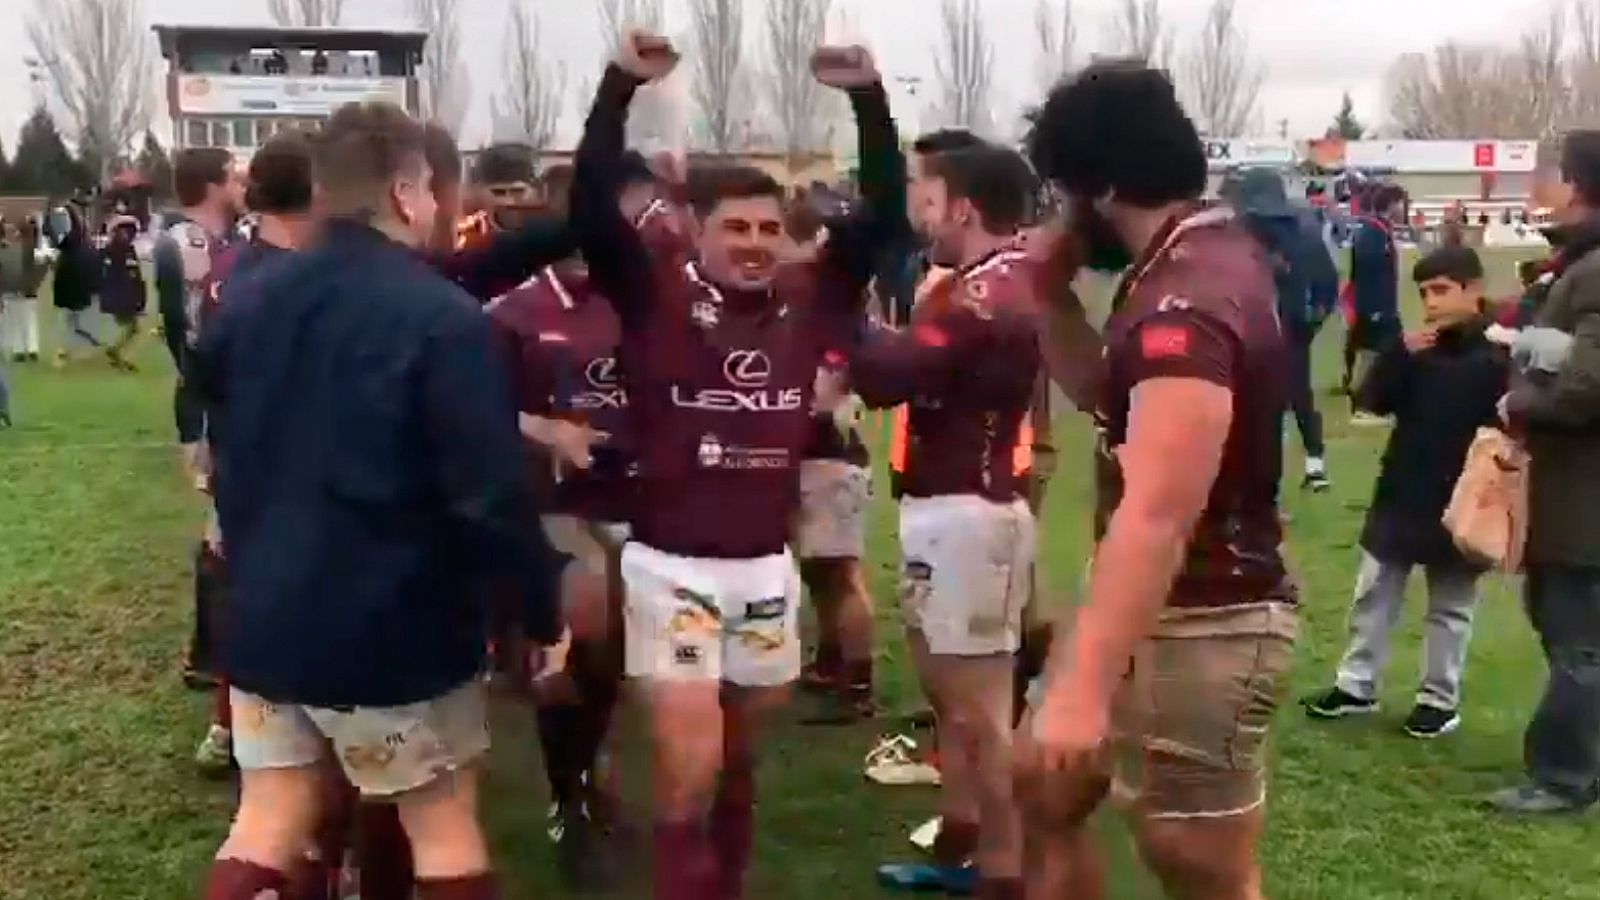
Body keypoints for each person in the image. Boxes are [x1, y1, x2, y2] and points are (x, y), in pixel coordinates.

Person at [192, 101, 576, 900]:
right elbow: (489, 493)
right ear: (406, 191)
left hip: (267, 616)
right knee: (442, 821)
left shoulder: (246, 299)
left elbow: (225, 461)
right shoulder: (442, 319)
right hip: (394, 627)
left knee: (269, 816)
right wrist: (539, 612)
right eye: (439, 191)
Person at [571, 31, 902, 900]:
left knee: (738, 765)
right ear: (695, 233)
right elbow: (586, 207)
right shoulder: (654, 293)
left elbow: (887, 216)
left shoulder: (812, 295)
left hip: (764, 569)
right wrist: (618, 89)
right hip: (668, 566)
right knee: (688, 768)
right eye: (735, 228)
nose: (753, 243)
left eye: (767, 228)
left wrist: (869, 100)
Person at [1017, 61, 1296, 900]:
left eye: (1061, 191)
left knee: (1198, 865)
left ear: (1096, 186)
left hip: (1208, 613)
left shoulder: (1186, 300)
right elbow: (1118, 406)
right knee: (1043, 789)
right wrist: (1050, 298)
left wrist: (1083, 688)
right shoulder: (1192, 257)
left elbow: (1159, 513)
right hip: (1164, 601)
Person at [856, 143, 1043, 900]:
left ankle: (1007, 871)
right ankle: (964, 843)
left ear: (962, 207)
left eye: (925, 198)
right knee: (953, 702)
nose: (917, 214)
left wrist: (842, 314)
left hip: (973, 514)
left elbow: (887, 376)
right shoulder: (978, 282)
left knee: (980, 714)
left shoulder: (986, 291)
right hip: (949, 510)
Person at [483, 151, 658, 890]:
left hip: (644, 507)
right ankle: (570, 800)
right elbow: (471, 409)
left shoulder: (647, 299)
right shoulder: (515, 310)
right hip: (554, 508)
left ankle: (589, 767)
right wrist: (544, 430)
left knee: (614, 658)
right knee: (580, 635)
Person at [1304, 246, 1507, 739]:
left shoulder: (1500, 355)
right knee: (1374, 594)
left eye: (1441, 290)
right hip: (1403, 490)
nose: (1431, 302)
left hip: (1465, 497)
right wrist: (1397, 355)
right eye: (1423, 293)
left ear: (1473, 291)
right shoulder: (1418, 351)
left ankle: (1439, 699)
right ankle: (1357, 685)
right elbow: (1371, 401)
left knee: (1451, 606)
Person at [1489, 130, 1600, 816]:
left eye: (1549, 176)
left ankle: (1563, 779)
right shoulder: (1576, 267)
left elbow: (1589, 384)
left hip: (1584, 495)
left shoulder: (1594, 271)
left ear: (1583, 187)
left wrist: (1518, 400)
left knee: (1577, 640)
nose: (1537, 191)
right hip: (1570, 489)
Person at [784, 201, 880, 726]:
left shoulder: (823, 287)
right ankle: (832, 659)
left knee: (839, 570)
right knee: (822, 568)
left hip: (829, 449)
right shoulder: (822, 292)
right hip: (817, 447)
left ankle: (859, 680)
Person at [154, 148, 246, 692]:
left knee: (228, 525)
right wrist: (201, 412)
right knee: (220, 529)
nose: (243, 185)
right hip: (209, 408)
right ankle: (207, 654)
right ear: (213, 186)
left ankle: (216, 648)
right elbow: (183, 335)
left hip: (230, 403)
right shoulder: (181, 244)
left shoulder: (231, 242)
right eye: (234, 176)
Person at [1225, 168, 1339, 491]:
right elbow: (1328, 281)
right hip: (1291, 327)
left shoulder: (1243, 233)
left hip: (1254, 330)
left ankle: (1259, 485)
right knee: (1296, 395)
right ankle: (1314, 466)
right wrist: (1314, 319)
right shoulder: (1304, 229)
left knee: (1258, 407)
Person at [1348, 184, 1406, 424]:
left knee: (1374, 354)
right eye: (1401, 202)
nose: (1404, 207)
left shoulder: (1380, 230)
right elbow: (1365, 271)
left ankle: (1368, 404)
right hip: (1377, 307)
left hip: (1382, 306)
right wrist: (1373, 307)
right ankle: (1365, 406)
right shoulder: (1373, 233)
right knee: (1383, 354)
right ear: (1391, 204)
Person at [50, 205, 103, 368]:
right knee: (78, 317)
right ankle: (79, 347)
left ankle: (69, 350)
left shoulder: (67, 242)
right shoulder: (83, 240)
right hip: (79, 277)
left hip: (71, 277)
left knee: (71, 318)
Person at [99, 216, 147, 372]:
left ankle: (117, 352)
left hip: (122, 294)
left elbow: (136, 275)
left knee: (130, 327)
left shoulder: (113, 250)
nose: (126, 234)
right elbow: (133, 275)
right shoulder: (120, 251)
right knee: (131, 327)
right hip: (123, 295)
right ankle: (118, 353)